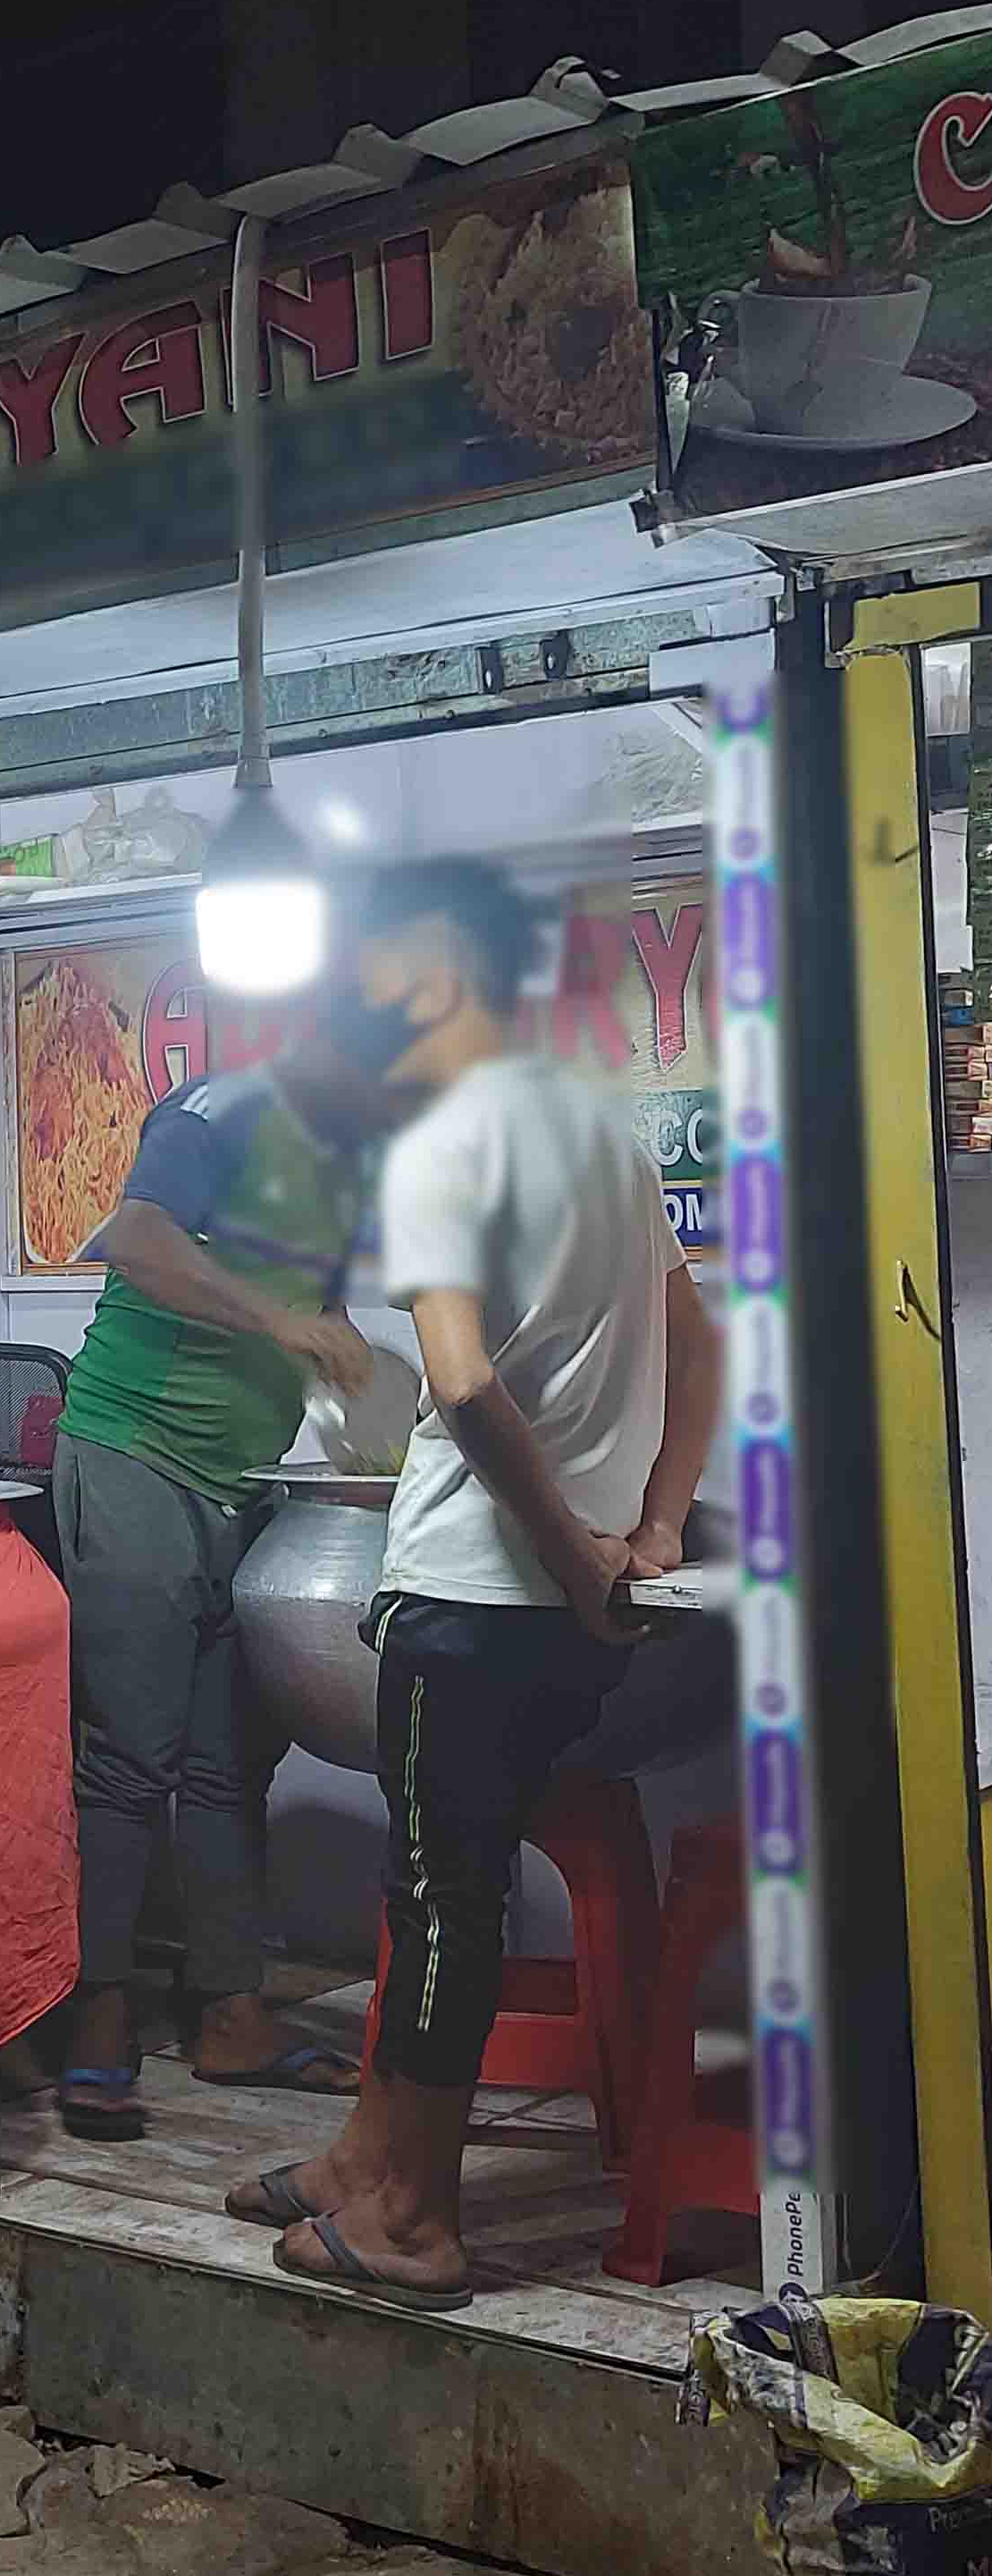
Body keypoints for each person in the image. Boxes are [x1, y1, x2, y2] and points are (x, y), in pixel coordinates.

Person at [226, 857, 721, 2307]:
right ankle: (359, 2163)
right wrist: (658, 1526)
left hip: (476, 1597)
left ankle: (417, 2223)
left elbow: (465, 1388)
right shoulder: (596, 1128)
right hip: (579, 1620)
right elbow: (703, 1340)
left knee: (443, 1900)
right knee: (435, 1882)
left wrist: (571, 1553)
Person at [54, 934, 415, 2137]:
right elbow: (136, 1239)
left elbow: (313, 1317)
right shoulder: (223, 1112)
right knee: (132, 1751)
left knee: (226, 1755)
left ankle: (231, 2014)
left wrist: (353, 1369)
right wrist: (278, 1315)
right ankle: (95, 2018)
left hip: (242, 1477)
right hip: (136, 1453)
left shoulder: (346, 1167)